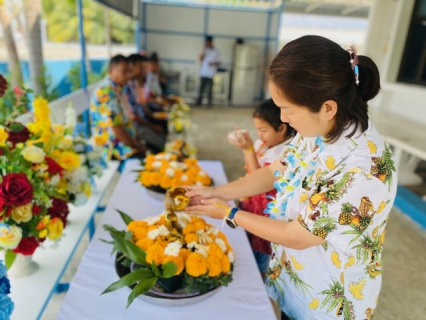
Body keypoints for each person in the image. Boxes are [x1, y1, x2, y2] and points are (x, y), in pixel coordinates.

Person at [185, 35, 397, 320]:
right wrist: (220, 192)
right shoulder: (319, 132)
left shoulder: (364, 170)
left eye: (288, 109)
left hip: (327, 303)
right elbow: (278, 170)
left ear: (328, 107)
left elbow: (298, 235)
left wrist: (230, 212)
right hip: (294, 280)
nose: (283, 119)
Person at [228, 99, 295, 279]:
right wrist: (247, 148)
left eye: (263, 130)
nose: (260, 135)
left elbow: (259, 182)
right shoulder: (267, 146)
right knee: (248, 246)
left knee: (260, 261)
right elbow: (251, 171)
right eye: (257, 129)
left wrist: (248, 150)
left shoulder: (285, 153)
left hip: (267, 215)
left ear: (282, 128)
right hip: (253, 208)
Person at [90, 54, 146, 160]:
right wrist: (139, 147)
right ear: (111, 70)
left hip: (125, 144)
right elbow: (116, 129)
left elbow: (127, 118)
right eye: (124, 71)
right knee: (147, 161)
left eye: (129, 71)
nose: (128, 76)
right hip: (113, 149)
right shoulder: (105, 92)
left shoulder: (117, 88)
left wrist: (138, 141)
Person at [124, 53, 166, 153]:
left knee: (163, 129)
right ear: (132, 66)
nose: (144, 69)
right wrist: (151, 126)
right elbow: (134, 116)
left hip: (142, 120)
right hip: (136, 126)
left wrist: (153, 118)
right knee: (160, 142)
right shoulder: (126, 86)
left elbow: (141, 104)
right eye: (141, 67)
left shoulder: (134, 83)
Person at [196, 36, 220, 108]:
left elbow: (218, 62)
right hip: (203, 72)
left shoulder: (216, 51)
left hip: (210, 73)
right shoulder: (205, 50)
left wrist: (212, 64)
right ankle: (199, 102)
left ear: (211, 42)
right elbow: (200, 58)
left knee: (209, 89)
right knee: (201, 88)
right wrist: (204, 49)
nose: (208, 43)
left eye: (208, 42)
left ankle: (209, 103)